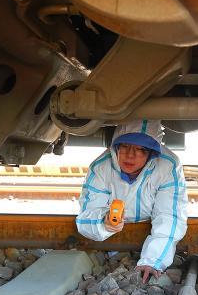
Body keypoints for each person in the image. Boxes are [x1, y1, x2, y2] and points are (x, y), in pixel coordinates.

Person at [76, 120, 188, 283]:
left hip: (154, 236)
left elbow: (169, 217)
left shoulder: (168, 166)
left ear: (151, 152)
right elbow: (86, 216)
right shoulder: (101, 167)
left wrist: (153, 261)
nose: (130, 155)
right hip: (109, 240)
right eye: (125, 146)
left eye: (140, 149)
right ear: (116, 146)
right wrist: (104, 222)